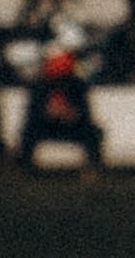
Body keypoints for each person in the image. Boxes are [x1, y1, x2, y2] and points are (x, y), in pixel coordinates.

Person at [17, 46, 103, 174]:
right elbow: (32, 113)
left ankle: (93, 168)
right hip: (46, 125)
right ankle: (24, 168)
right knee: (28, 131)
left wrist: (71, 114)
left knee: (93, 132)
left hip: (71, 126)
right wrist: (48, 113)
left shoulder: (77, 85)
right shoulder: (39, 85)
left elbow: (86, 113)